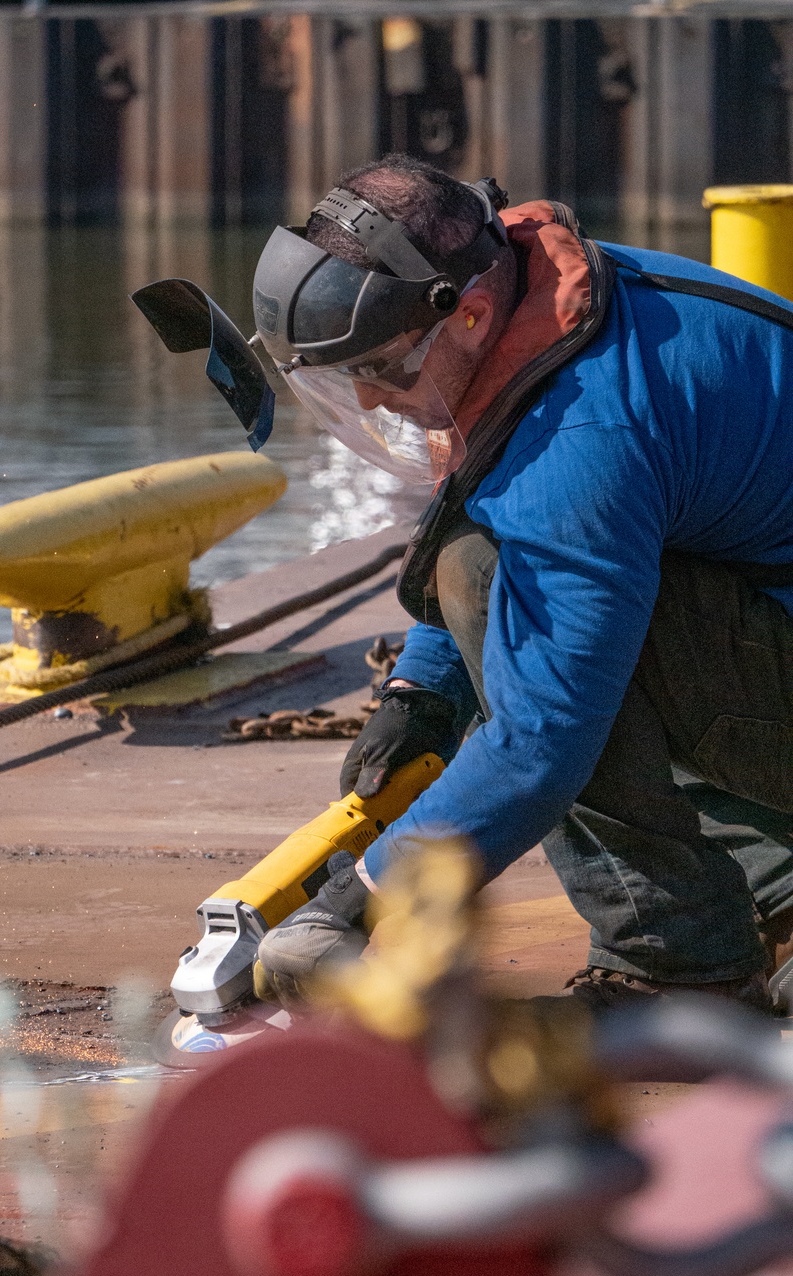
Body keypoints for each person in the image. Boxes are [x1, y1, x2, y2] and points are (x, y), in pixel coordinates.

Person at [249, 153, 793, 1014]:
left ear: (466, 314)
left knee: (526, 631)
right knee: (515, 584)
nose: (374, 398)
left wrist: (362, 896)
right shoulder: (550, 302)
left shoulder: (584, 430)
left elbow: (545, 736)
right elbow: (497, 507)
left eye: (383, 369)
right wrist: (423, 686)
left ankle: (678, 963)